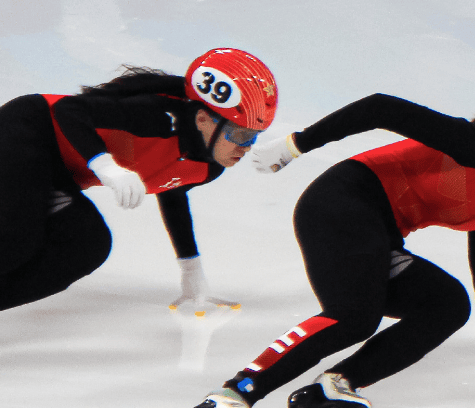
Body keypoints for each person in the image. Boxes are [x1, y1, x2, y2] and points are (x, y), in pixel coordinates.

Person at [185, 82, 475, 408]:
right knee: (354, 316)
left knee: (447, 305)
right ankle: (234, 393)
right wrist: (298, 144)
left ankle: (334, 385)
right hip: (343, 201)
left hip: (381, 227)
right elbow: (381, 107)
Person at [0, 48, 278, 312]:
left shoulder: (210, 165)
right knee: (18, 241)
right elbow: (68, 110)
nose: (247, 147)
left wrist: (191, 270)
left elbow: (173, 191)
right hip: (27, 129)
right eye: (240, 135)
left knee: (87, 246)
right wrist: (105, 165)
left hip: (59, 174)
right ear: (203, 119)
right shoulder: (155, 116)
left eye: (254, 136)